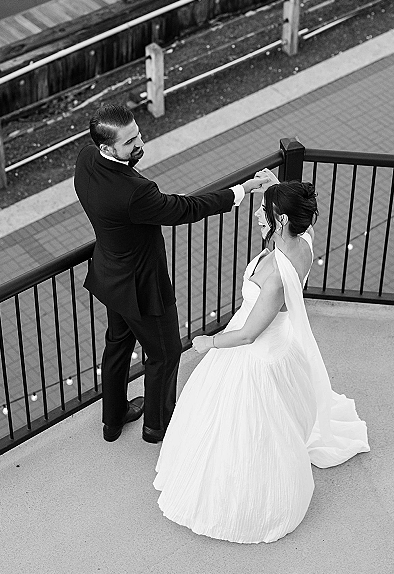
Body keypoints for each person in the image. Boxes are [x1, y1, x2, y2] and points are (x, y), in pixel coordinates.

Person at [153, 176, 370, 544]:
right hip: (281, 342)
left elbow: (247, 335)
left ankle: (245, 502)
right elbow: (298, 219)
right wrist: (274, 184)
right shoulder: (304, 243)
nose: (257, 214)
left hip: (255, 352)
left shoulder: (275, 278)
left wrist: (209, 342)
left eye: (264, 211)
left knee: (239, 428)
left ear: (280, 220)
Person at [74, 103, 268, 445]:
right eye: (129, 142)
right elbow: (185, 209)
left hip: (110, 274)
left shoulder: (86, 159)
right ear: (107, 147)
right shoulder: (136, 192)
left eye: (137, 134)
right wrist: (243, 190)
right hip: (142, 286)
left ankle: (112, 421)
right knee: (165, 354)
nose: (140, 143)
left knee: (117, 345)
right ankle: (157, 427)